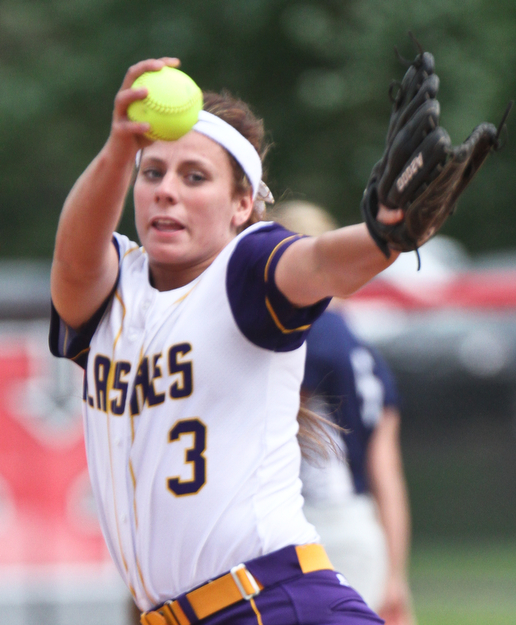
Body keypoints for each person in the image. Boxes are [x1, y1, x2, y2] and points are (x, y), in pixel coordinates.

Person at [49, 57, 406, 625]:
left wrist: (386, 235)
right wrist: (120, 146)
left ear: (243, 205)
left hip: (273, 605)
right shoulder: (112, 287)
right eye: (153, 172)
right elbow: (71, 259)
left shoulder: (245, 267)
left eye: (195, 176)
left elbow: (319, 263)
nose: (167, 191)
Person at [274, 201, 416, 625]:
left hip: (309, 526)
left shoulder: (299, 336)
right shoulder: (363, 347)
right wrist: (396, 571)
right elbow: (385, 473)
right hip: (360, 529)